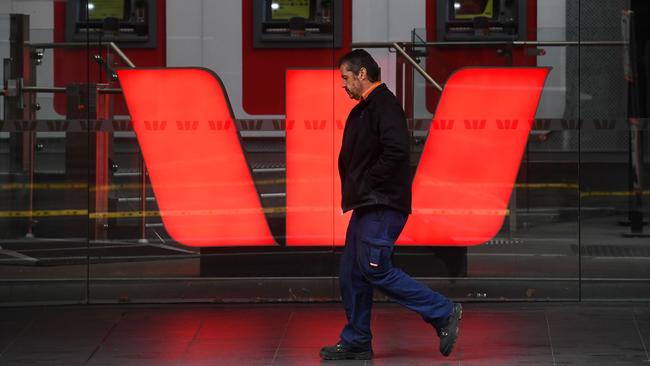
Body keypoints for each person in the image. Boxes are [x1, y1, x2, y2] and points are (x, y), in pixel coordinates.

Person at [319, 49, 462, 361]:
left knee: (375, 269)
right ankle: (357, 339)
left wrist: (369, 182)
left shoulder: (383, 104)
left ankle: (443, 312)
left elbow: (397, 150)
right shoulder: (366, 107)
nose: (343, 84)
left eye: (346, 77)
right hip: (368, 204)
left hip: (381, 203)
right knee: (352, 273)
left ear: (361, 74)